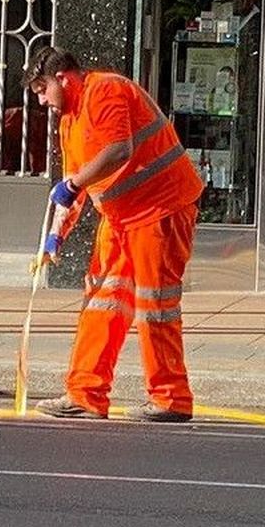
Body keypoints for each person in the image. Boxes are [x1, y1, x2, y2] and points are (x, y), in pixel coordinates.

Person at [24, 48, 205, 422]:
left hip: (161, 209)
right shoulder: (69, 119)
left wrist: (72, 184)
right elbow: (76, 186)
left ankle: (171, 399)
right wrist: (55, 237)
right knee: (102, 303)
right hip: (122, 219)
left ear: (63, 78)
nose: (41, 100)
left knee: (155, 305)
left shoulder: (106, 91)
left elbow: (117, 151)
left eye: (42, 89)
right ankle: (85, 393)